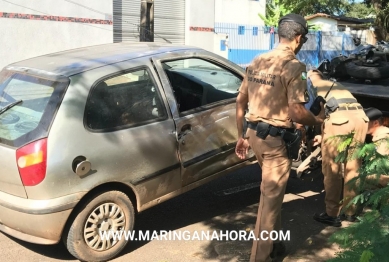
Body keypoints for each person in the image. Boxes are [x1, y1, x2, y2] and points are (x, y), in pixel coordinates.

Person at [235, 14, 325, 262]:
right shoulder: (293, 66)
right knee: (269, 206)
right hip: (275, 144)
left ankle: (275, 247)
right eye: (303, 39)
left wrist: (240, 136)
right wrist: (318, 121)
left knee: (270, 197)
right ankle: (261, 257)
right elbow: (297, 111)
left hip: (254, 135)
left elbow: (240, 101)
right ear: (298, 38)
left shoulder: (257, 60)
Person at [309, 69, 369, 225]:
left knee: (332, 169)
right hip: (361, 119)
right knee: (353, 166)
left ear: (310, 78)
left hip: (339, 121)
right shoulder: (335, 84)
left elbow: (312, 114)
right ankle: (351, 212)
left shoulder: (310, 86)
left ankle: (332, 213)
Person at [364, 107, 389, 187]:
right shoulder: (379, 137)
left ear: (375, 123)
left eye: (366, 122)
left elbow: (379, 167)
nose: (363, 125)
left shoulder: (383, 139)